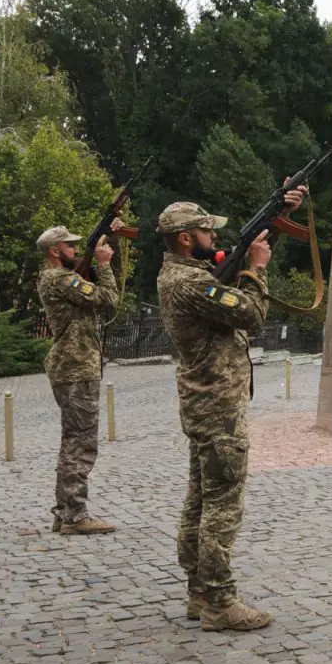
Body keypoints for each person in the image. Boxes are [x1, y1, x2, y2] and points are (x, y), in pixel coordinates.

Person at [156, 188, 302, 632]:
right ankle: (219, 600)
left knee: (201, 498)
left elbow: (228, 275)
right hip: (217, 406)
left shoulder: (184, 275)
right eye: (204, 230)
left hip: (203, 402)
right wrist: (257, 268)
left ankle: (199, 592)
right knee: (222, 502)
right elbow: (252, 313)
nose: (210, 235)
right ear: (185, 239)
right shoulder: (189, 284)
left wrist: (278, 218)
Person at [35, 223, 123, 535]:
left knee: (72, 441)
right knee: (81, 443)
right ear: (54, 252)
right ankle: (74, 515)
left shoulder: (56, 277)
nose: (75, 249)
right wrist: (103, 264)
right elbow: (109, 301)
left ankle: (65, 511)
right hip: (75, 369)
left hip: (72, 367)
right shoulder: (61, 278)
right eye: (70, 246)